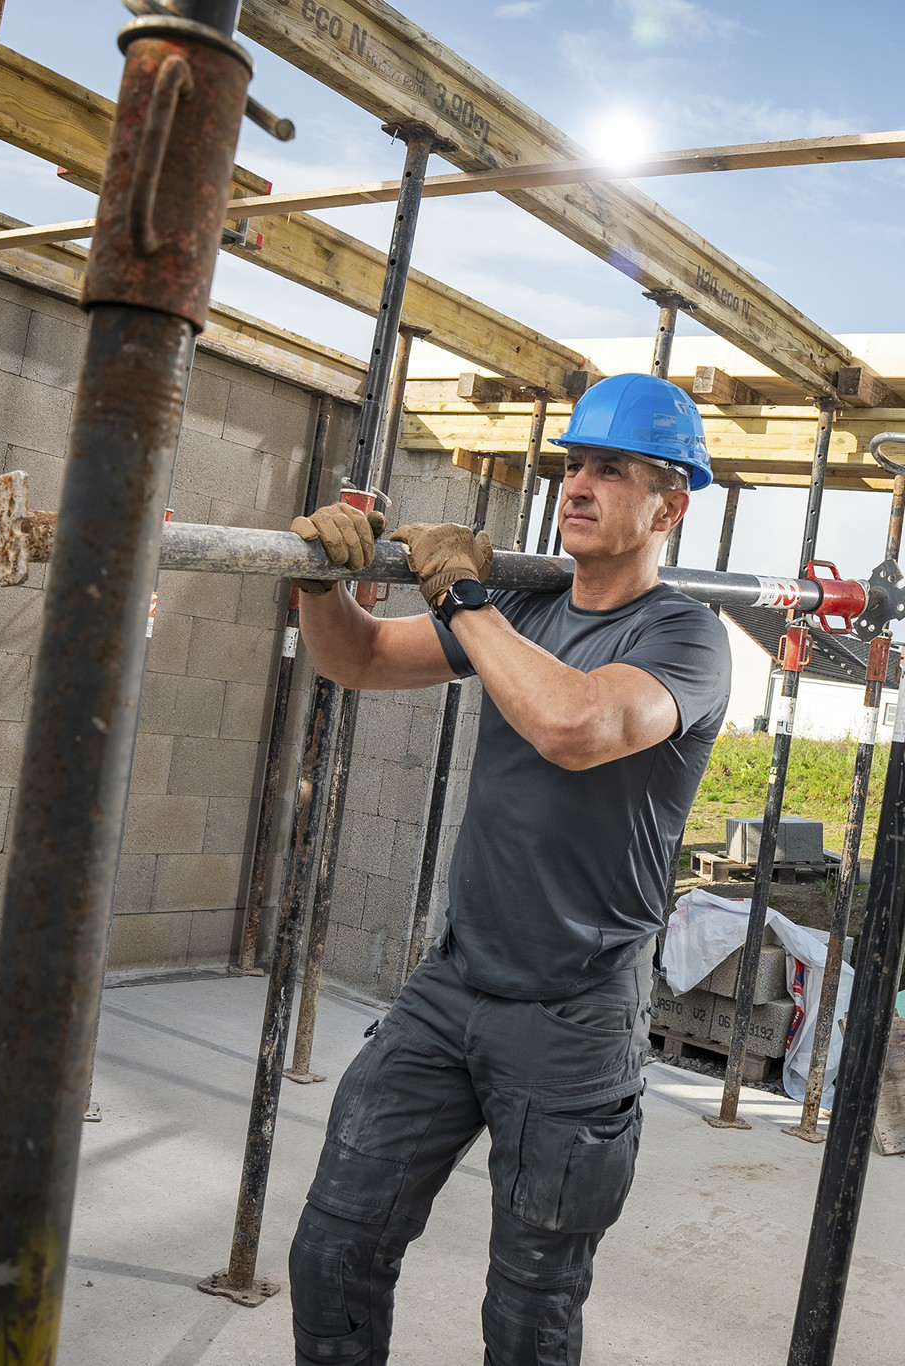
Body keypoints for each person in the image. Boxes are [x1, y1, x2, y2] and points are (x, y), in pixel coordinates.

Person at [283, 372, 732, 1364]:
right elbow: (355, 659)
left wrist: (462, 597)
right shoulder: (520, 609)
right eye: (572, 465)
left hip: (576, 1011)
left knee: (530, 1308)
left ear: (670, 503)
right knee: (332, 1246)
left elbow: (575, 724)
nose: (577, 483)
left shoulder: (684, 637)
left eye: (610, 469)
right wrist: (323, 586)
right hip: (454, 983)